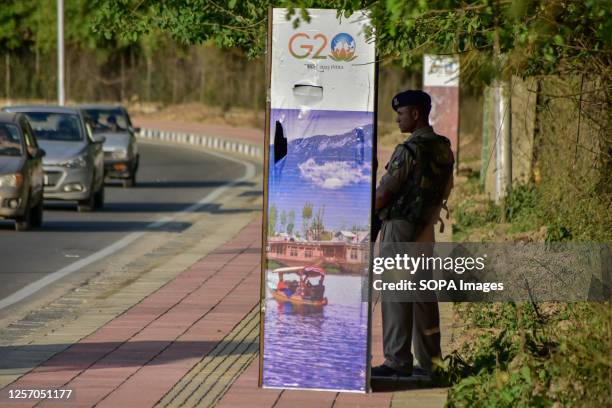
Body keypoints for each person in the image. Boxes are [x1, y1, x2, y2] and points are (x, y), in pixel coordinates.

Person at [371, 90, 454, 379]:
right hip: (425, 228)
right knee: (422, 294)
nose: (397, 119)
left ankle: (397, 360)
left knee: (396, 293)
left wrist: (368, 210)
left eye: (401, 114)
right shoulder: (443, 146)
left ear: (416, 114)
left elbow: (384, 193)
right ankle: (432, 364)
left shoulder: (408, 150)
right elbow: (447, 188)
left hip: (400, 226)